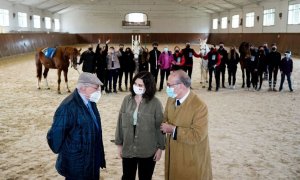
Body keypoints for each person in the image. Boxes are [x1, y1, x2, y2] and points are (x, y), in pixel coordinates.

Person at [47, 72, 106, 180]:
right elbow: (54, 138)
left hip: (92, 162)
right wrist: (72, 151)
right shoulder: (67, 107)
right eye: (96, 88)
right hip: (76, 166)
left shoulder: (91, 102)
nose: (99, 91)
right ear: (83, 88)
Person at [160, 70, 212, 180]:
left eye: (169, 85)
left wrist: (173, 130)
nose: (167, 88)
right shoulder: (171, 99)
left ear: (181, 86)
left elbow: (198, 135)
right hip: (173, 155)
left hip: (191, 158)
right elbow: (164, 119)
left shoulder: (199, 106)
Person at [115, 71, 165, 180]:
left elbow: (159, 127)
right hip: (128, 147)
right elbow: (120, 123)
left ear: (148, 86)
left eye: (140, 85)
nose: (137, 87)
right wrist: (119, 145)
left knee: (145, 177)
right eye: (135, 84)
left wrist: (160, 148)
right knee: (127, 176)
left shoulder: (156, 103)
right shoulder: (126, 100)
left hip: (147, 149)